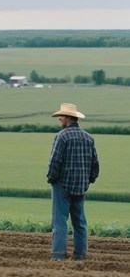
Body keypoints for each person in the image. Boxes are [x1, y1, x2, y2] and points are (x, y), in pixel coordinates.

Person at [47, 103, 99, 261]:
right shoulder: (88, 138)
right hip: (81, 187)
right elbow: (95, 165)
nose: (59, 119)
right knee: (80, 222)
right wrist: (89, 180)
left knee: (60, 222)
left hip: (62, 185)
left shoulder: (61, 136)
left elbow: (55, 161)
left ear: (68, 118)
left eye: (61, 116)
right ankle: (80, 255)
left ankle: (58, 256)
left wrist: (51, 179)